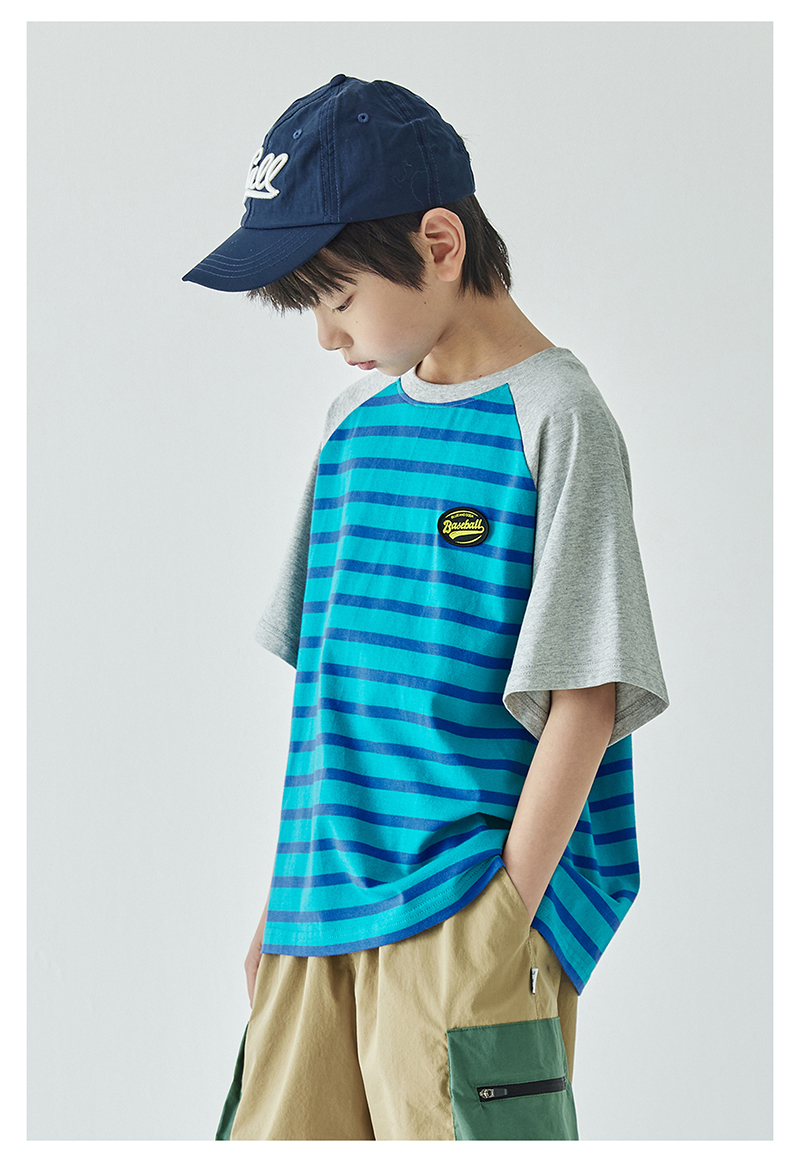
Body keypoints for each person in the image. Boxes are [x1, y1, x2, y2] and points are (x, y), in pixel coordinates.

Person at [183, 74, 669, 1142]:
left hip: (461, 915)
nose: (325, 335)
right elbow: (335, 697)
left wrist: (504, 914)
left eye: (338, 298)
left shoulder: (555, 419)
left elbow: (586, 691)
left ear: (439, 244)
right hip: (313, 917)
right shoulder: (350, 430)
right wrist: (279, 900)